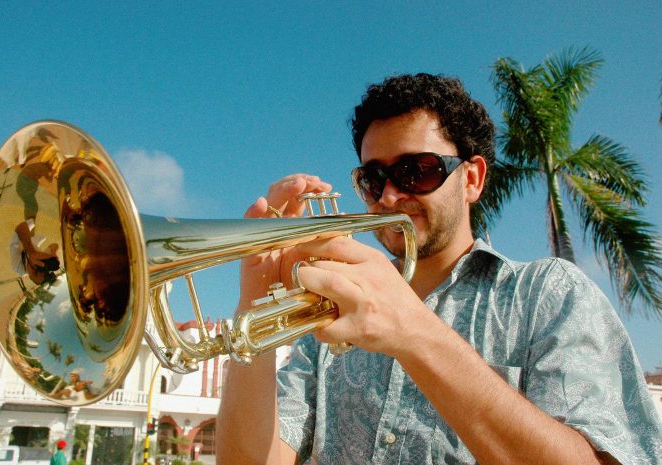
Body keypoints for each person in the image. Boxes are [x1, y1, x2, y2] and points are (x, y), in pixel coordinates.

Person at [217, 74, 662, 464]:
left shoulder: (546, 293)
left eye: (417, 170)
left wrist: (413, 331)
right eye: (373, 179)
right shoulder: (331, 316)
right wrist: (252, 301)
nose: (389, 197)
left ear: (471, 179)